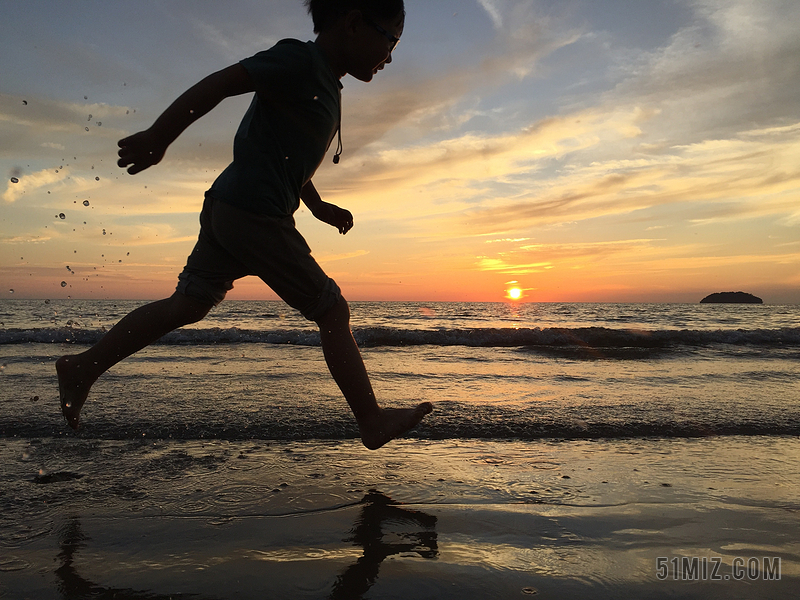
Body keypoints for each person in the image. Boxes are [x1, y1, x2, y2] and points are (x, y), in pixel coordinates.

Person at [56, 0, 432, 450]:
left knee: (188, 305)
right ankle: (371, 420)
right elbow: (222, 83)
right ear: (353, 22)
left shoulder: (324, 84)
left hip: (230, 207)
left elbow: (286, 158)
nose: (390, 56)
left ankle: (82, 367)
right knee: (332, 311)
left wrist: (315, 205)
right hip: (255, 214)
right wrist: (160, 136)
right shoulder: (298, 60)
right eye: (390, 40)